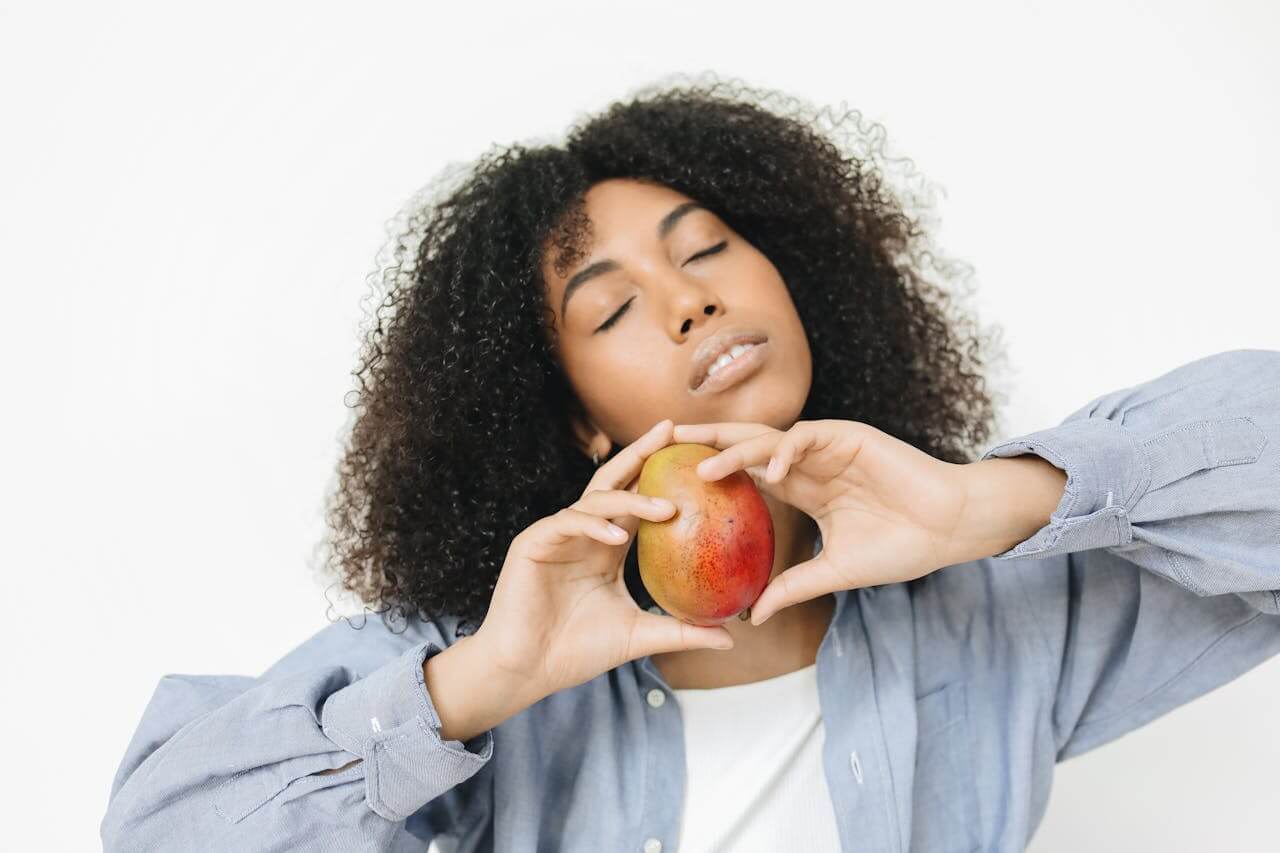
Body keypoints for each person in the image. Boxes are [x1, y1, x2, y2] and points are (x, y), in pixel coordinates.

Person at [101, 73, 1280, 852]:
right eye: (611, 311)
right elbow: (159, 828)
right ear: (572, 423)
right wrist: (479, 684)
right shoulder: (470, 654)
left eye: (706, 248)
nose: (690, 302)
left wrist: (989, 502)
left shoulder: (991, 607)